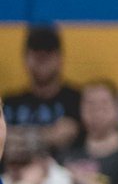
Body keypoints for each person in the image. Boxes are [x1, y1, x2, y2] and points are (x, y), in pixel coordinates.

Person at [5, 23, 82, 154]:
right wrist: (47, 135)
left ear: (60, 58)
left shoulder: (76, 100)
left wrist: (17, 135)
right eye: (36, 53)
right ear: (25, 58)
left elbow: (66, 134)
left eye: (48, 53)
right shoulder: (10, 102)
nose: (42, 59)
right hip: (13, 172)